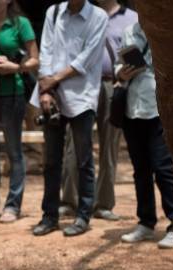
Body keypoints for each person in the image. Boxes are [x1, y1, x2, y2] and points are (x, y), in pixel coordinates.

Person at [30, 0, 107, 237]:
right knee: (52, 160)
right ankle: (49, 216)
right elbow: (46, 51)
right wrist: (45, 90)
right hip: (52, 97)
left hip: (82, 96)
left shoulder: (99, 16)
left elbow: (88, 58)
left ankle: (83, 215)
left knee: (84, 160)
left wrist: (53, 81)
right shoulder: (53, 12)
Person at [59, 0, 137, 222]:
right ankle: (69, 201)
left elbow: (136, 52)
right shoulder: (82, 13)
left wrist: (126, 80)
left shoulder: (132, 18)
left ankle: (104, 203)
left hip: (112, 83)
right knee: (73, 144)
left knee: (109, 145)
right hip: (81, 84)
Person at [116, 22, 173, 249]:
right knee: (140, 170)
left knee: (163, 169)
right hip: (132, 109)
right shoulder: (129, 30)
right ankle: (145, 222)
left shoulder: (168, 28)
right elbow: (117, 65)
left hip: (159, 109)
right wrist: (121, 72)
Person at [0, 0, 38, 224]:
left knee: (14, 151)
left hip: (13, 94)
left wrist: (16, 68)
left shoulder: (21, 24)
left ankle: (12, 205)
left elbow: (34, 59)